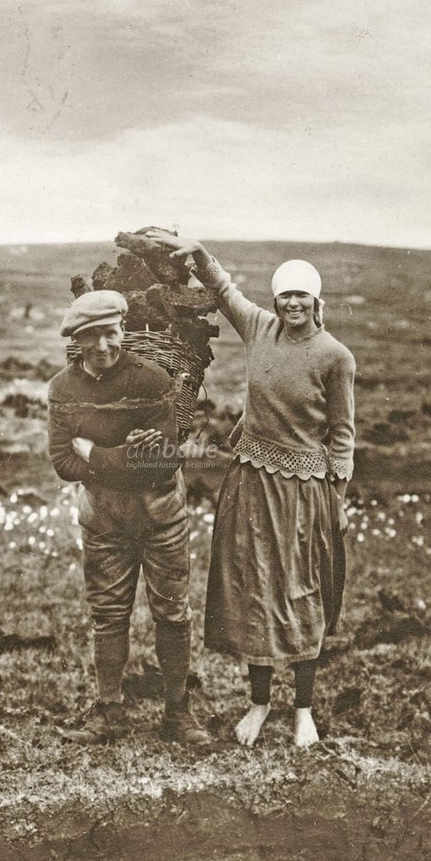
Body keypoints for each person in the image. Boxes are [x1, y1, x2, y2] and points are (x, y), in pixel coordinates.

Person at [145, 232, 355, 748]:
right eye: (285, 295)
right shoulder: (261, 329)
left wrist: (338, 503)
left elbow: (343, 438)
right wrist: (197, 255)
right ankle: (259, 704)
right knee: (255, 590)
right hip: (251, 482)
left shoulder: (336, 357)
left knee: (302, 592)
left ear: (316, 301)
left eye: (301, 296)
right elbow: (224, 291)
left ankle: (303, 709)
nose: (292, 304)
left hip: (305, 491)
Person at [47, 288, 209, 745]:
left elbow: (160, 462)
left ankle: (178, 712)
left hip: (161, 519)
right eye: (92, 337)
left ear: (124, 331)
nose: (103, 346)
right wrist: (123, 459)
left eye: (111, 333)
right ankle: (109, 712)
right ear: (76, 340)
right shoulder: (63, 390)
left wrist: (95, 453)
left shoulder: (152, 380)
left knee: (172, 613)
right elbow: (62, 462)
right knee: (108, 615)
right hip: (104, 524)